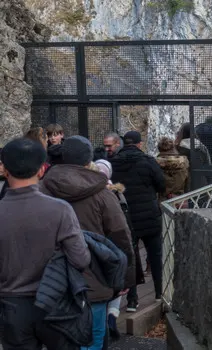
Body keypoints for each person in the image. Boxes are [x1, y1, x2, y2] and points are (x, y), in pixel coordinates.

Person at [40, 136, 135, 350]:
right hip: (95, 276)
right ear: (88, 161)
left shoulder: (42, 189)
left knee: (60, 337)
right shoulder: (103, 194)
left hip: (52, 278)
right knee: (94, 336)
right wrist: (125, 278)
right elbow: (120, 236)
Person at [0, 137, 91, 350]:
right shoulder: (60, 210)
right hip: (56, 303)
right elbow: (81, 259)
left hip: (11, 305)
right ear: (42, 169)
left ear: (5, 170)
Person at [111, 131, 166, 312]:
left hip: (126, 218)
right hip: (150, 217)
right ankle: (159, 293)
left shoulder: (113, 163)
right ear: (139, 144)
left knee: (131, 257)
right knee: (156, 255)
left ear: (122, 144)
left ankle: (133, 300)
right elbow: (162, 185)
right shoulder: (148, 161)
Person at [156, 137, 189, 203]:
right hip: (180, 199)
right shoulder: (184, 162)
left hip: (163, 200)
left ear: (160, 148)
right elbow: (188, 183)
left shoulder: (155, 163)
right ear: (173, 147)